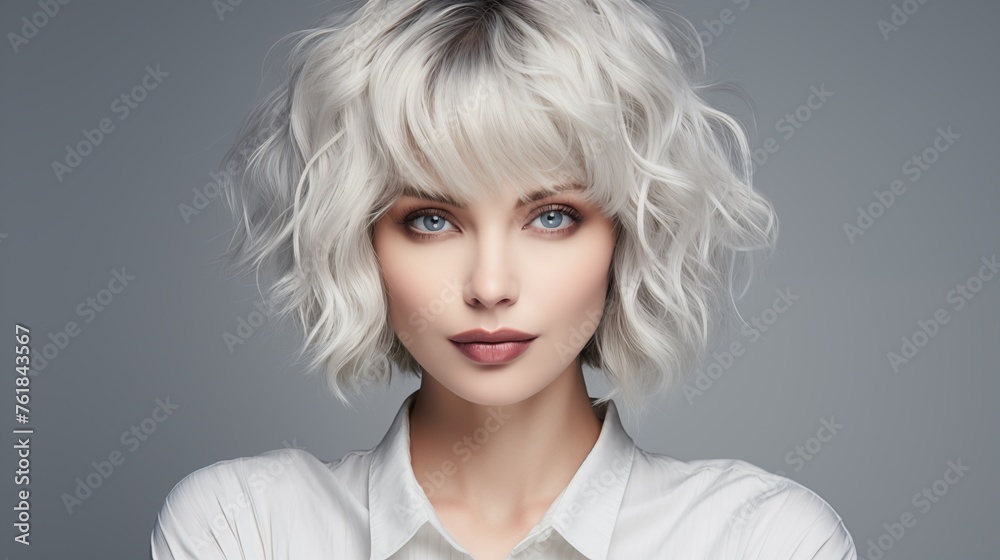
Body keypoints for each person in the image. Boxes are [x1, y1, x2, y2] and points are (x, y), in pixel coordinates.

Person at [150, 0, 857, 558]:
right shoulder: (245, 531)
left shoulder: (759, 541)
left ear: (629, 234)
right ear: (359, 240)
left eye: (551, 217)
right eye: (431, 219)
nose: (490, 286)